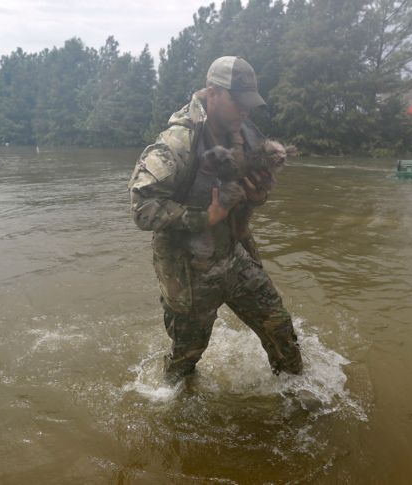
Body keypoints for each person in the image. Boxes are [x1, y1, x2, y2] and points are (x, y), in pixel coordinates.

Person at [128, 56, 304, 384]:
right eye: (239, 103)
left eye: (249, 104)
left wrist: (256, 195)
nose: (245, 111)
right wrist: (203, 216)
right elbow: (142, 207)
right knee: (185, 361)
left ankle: (297, 401)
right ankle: (170, 414)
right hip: (189, 271)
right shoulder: (177, 143)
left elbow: (254, 193)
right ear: (213, 93)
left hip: (233, 255)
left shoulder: (242, 133)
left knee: (280, 329)